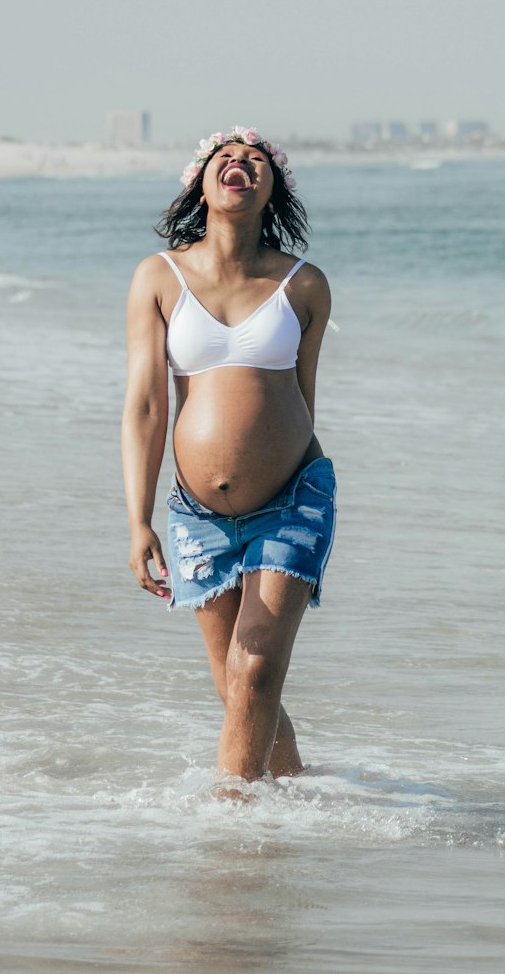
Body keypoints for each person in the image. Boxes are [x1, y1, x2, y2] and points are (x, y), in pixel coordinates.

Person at [121, 126, 336, 784]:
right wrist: (138, 519)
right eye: (226, 157)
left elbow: (302, 399)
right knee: (239, 684)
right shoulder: (158, 277)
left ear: (273, 189)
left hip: (294, 495)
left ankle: (231, 839)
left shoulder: (304, 285)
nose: (240, 164)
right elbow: (147, 405)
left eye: (255, 161)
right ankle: (296, 798)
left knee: (255, 668)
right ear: (202, 183)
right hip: (196, 514)